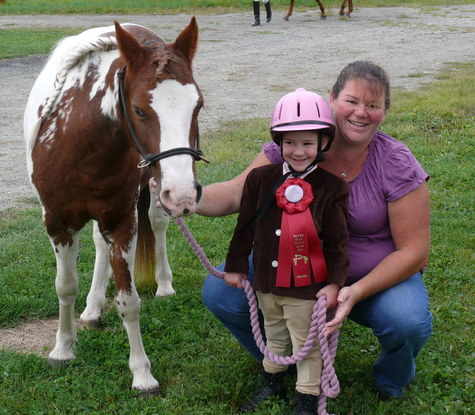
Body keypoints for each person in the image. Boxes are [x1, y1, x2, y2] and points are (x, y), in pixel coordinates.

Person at [198, 60, 433, 403]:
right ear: (332, 99)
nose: (361, 113)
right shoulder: (296, 144)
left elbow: (414, 251)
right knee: (221, 294)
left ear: (384, 111)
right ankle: (285, 362)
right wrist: (190, 195)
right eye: (352, 101)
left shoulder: (396, 162)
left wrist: (355, 291)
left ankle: (391, 377)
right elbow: (237, 192)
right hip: (292, 269)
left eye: (373, 105)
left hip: (371, 278)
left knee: (405, 320)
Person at [223, 88, 348, 414]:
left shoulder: (332, 188)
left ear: (323, 143)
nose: (298, 151)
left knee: (307, 344)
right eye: (289, 142)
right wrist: (236, 265)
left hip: (307, 290)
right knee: (274, 335)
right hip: (266, 282)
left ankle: (306, 400)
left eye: (307, 143)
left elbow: (337, 242)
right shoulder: (260, 180)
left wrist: (334, 282)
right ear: (278, 142)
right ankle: (272, 385)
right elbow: (245, 226)